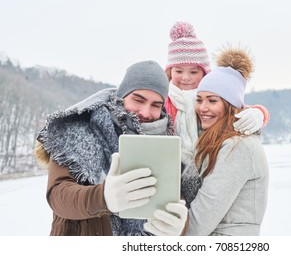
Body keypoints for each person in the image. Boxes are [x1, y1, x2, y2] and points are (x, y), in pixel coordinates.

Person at [34, 60, 196, 236]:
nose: (145, 112)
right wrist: (103, 197)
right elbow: (57, 195)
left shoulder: (167, 141)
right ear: (122, 95)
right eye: (138, 100)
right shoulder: (77, 128)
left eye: (156, 105)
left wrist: (178, 228)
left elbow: (172, 198)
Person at [185, 46, 269, 235]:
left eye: (212, 101)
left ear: (230, 106)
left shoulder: (237, 146)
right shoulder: (215, 142)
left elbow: (201, 219)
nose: (202, 108)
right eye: (199, 100)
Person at [164, 21, 270, 164]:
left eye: (193, 71)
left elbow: (239, 108)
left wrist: (260, 113)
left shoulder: (212, 95)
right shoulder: (165, 98)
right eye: (178, 71)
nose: (186, 77)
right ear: (170, 71)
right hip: (174, 164)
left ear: (204, 72)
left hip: (206, 163)